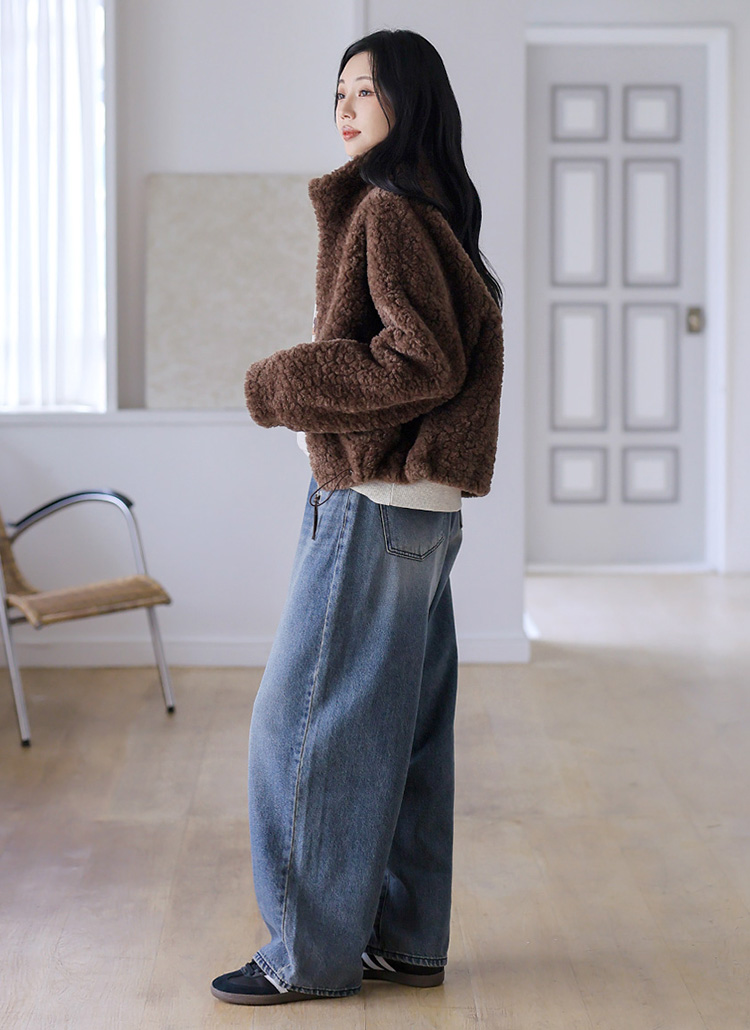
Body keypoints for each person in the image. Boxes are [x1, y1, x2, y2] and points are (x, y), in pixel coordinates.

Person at [211, 28, 504, 1006]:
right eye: (338, 91)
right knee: (403, 733)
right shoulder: (433, 211)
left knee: (302, 727)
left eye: (366, 91)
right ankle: (408, 941)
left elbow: (420, 360)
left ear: (408, 102)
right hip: (424, 509)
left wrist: (280, 380)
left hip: (375, 501)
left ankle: (306, 954)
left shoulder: (386, 210)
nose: (345, 107)